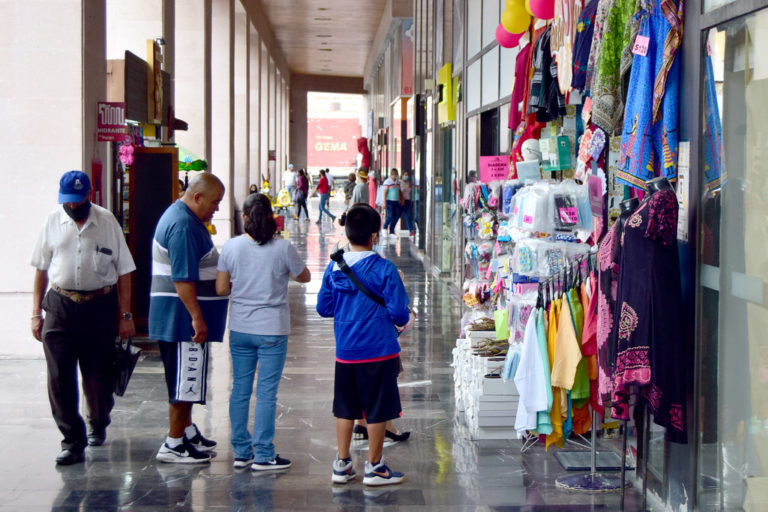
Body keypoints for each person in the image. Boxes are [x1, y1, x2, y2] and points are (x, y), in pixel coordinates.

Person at [31, 170, 137, 465]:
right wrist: (35, 313)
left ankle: (98, 420)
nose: (73, 205)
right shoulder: (52, 221)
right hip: (60, 306)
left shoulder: (106, 222)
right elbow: (40, 269)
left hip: (99, 307)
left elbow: (125, 270)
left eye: (78, 200)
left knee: (97, 376)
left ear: (89, 195)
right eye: (68, 200)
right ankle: (72, 441)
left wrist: (125, 315)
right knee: (59, 378)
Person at [316, 204, 410, 486]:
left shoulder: (335, 266)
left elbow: (323, 307)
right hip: (379, 350)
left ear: (347, 233)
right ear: (374, 236)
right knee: (378, 409)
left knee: (345, 408)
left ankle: (342, 464)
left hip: (346, 352)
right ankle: (375, 467)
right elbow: (399, 313)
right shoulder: (384, 268)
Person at [216, 193, 311, 471]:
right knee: (267, 393)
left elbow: (221, 289)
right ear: (271, 217)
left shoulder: (231, 247)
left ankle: (241, 452)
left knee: (240, 390)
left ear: (244, 217)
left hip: (240, 328)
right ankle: (264, 454)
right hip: (272, 329)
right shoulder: (282, 248)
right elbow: (304, 276)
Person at [149, 172, 230, 464]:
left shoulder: (187, 218)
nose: (217, 208)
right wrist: (197, 317)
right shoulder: (183, 225)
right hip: (181, 318)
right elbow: (182, 278)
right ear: (197, 197)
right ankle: (173, 443)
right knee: (183, 381)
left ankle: (186, 432)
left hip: (181, 317)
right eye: (215, 202)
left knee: (187, 378)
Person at [381, 169, 401, 238]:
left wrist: (400, 198)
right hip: (389, 201)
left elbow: (399, 191)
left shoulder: (398, 182)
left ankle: (391, 231)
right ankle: (384, 228)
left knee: (397, 215)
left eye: (396, 175)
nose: (395, 176)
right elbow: (384, 193)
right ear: (391, 175)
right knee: (390, 215)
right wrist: (384, 203)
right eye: (394, 175)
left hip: (396, 201)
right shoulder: (387, 182)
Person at [399, 170, 415, 238]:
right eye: (405, 175)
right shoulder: (399, 183)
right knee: (396, 216)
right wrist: (401, 199)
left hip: (408, 201)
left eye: (407, 175)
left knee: (409, 216)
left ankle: (411, 231)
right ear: (402, 175)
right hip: (401, 201)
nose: (406, 176)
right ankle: (391, 230)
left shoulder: (408, 183)